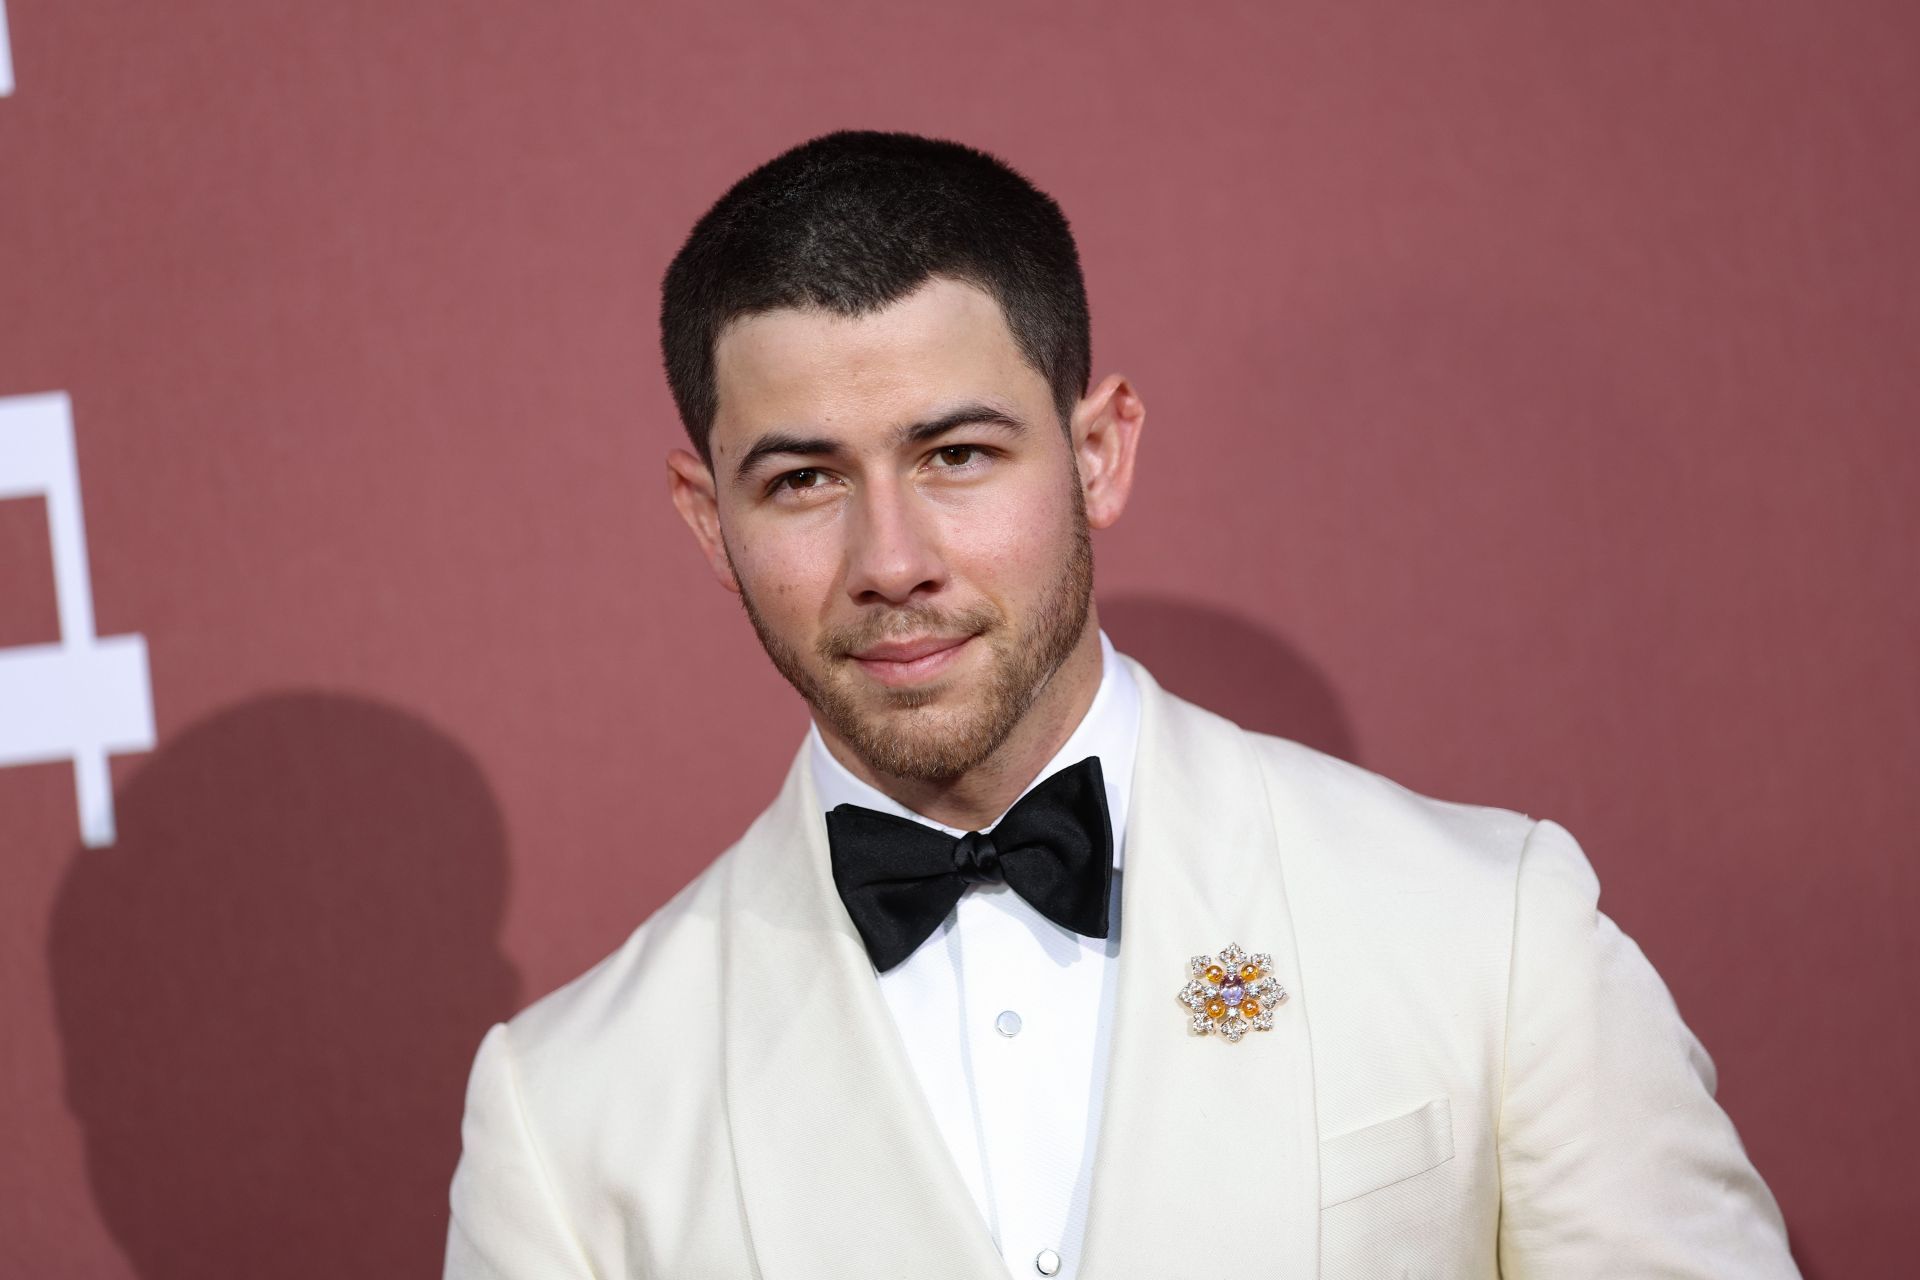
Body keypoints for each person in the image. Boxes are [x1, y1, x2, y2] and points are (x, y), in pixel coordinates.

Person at [443, 130, 1798, 1279]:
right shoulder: (567, 1117)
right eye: (803, 481)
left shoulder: (1489, 929)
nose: (891, 560)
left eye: (957, 455)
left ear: (1099, 454)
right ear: (706, 518)